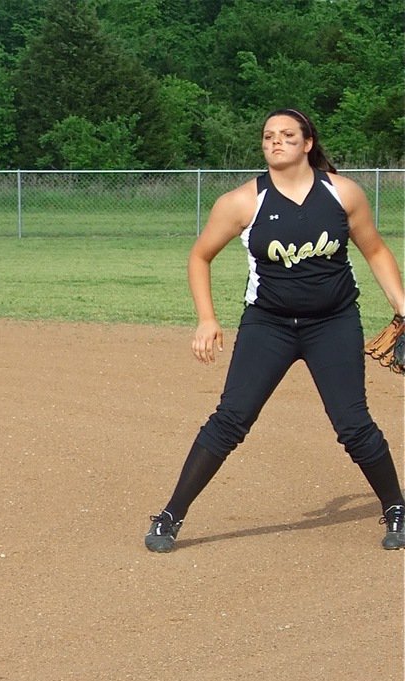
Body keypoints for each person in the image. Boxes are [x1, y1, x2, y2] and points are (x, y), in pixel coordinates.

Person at [145, 108, 405, 553]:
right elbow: (199, 256)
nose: (276, 142)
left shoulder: (342, 194)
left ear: (307, 143)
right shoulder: (242, 202)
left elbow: (376, 251)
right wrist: (207, 318)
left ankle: (396, 507)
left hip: (334, 323)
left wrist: (404, 308)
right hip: (269, 325)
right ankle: (171, 515)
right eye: (268, 136)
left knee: (352, 423)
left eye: (287, 135)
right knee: (230, 419)